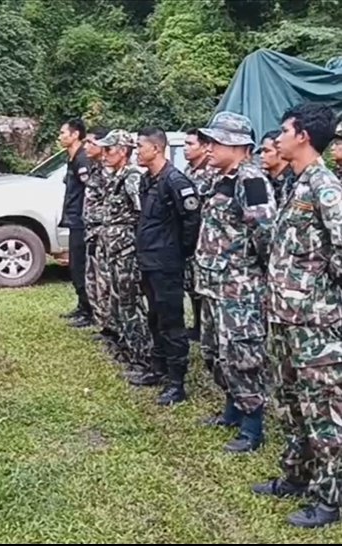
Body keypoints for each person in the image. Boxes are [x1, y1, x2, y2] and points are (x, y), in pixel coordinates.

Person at [257, 102, 342, 528]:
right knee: (291, 405)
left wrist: (328, 306)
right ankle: (297, 475)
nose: (278, 136)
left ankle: (330, 499)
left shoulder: (325, 187)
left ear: (303, 136)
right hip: (286, 319)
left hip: (315, 327)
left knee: (323, 412)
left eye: (285, 129)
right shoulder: (296, 183)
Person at [194, 112, 275, 451]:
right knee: (215, 351)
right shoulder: (218, 177)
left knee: (243, 354)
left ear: (240, 145)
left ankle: (252, 428)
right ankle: (232, 410)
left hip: (239, 287)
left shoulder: (251, 180)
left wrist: (253, 273)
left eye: (215, 141)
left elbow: (266, 233)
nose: (208, 147)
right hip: (213, 284)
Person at [132, 127, 201, 406]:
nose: (136, 151)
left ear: (156, 149)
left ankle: (177, 382)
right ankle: (157, 367)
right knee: (155, 316)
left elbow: (191, 220)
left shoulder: (175, 181)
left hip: (167, 262)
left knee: (172, 320)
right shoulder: (147, 180)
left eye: (140, 146)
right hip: (148, 260)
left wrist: (179, 252)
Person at [95, 130, 152, 382]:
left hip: (127, 252)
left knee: (131, 305)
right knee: (118, 301)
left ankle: (143, 356)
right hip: (114, 250)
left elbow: (143, 214)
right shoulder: (115, 177)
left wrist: (135, 246)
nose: (105, 155)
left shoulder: (132, 178)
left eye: (109, 150)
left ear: (123, 151)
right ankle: (126, 347)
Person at [183, 129, 218, 343]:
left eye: (190, 144)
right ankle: (197, 326)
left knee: (203, 289)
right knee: (192, 285)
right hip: (191, 238)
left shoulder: (210, 173)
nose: (186, 148)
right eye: (185, 143)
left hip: (205, 238)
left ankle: (205, 329)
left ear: (204, 147)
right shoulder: (188, 170)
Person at [58, 119, 93, 327]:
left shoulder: (82, 160)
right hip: (73, 219)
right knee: (75, 266)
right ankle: (82, 306)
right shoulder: (71, 158)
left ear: (75, 135)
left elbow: (90, 192)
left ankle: (88, 311)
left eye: (63, 133)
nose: (60, 136)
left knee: (81, 266)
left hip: (81, 221)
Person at [82, 127, 115, 350]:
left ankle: (112, 329)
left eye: (90, 143)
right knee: (94, 282)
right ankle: (104, 325)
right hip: (93, 233)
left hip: (105, 235)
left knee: (106, 285)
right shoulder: (96, 169)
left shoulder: (108, 172)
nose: (86, 147)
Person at [259, 129, 296, 209]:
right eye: (261, 151)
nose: (261, 156)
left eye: (267, 151)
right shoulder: (262, 180)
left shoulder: (293, 181)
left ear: (281, 151)